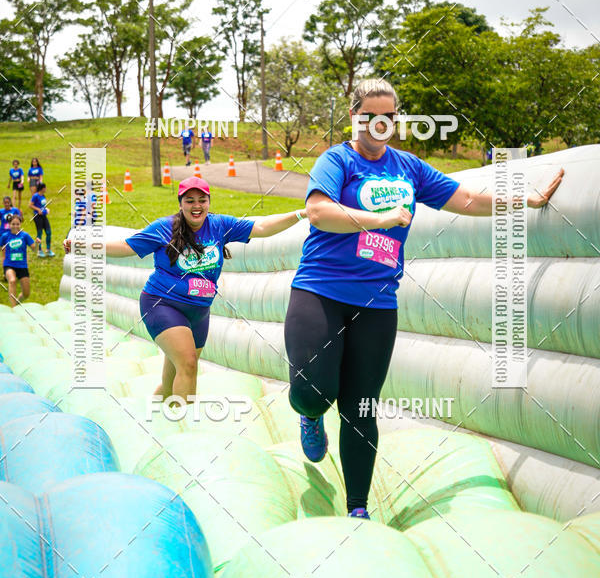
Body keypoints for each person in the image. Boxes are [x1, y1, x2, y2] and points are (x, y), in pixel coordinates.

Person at [284, 78, 564, 520]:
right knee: (315, 391)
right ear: (354, 117)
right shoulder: (336, 160)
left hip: (377, 303)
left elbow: (468, 200)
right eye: (369, 117)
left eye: (388, 117)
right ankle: (310, 414)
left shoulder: (408, 167)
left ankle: (358, 508)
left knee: (361, 406)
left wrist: (524, 200)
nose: (379, 125)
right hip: (320, 291)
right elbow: (319, 211)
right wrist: (377, 219)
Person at [64, 177, 306, 400]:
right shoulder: (164, 228)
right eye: (190, 200)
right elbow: (125, 247)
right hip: (162, 304)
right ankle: (187, 431)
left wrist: (300, 214)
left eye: (202, 200)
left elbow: (262, 228)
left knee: (172, 382)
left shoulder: (220, 225)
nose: (196, 205)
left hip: (199, 312)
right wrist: (83, 246)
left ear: (209, 202)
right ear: (181, 203)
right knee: (188, 366)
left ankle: (156, 419)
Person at [1, 213, 39, 307]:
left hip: (22, 266)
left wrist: (37, 244)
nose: (15, 226)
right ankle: (13, 309)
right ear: (9, 224)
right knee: (12, 281)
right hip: (9, 264)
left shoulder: (25, 235)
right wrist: (3, 262)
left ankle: (17, 303)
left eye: (17, 224)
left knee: (26, 294)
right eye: (13, 224)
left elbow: (34, 249)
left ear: (20, 224)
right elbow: (2, 249)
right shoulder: (5, 236)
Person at [30, 183, 54, 257]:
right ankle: (39, 251)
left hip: (44, 216)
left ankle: (48, 249)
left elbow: (43, 206)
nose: (46, 189)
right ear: (42, 188)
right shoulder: (35, 196)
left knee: (48, 232)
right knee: (39, 233)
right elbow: (30, 205)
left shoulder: (43, 196)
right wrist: (38, 210)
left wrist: (46, 209)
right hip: (37, 217)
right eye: (45, 188)